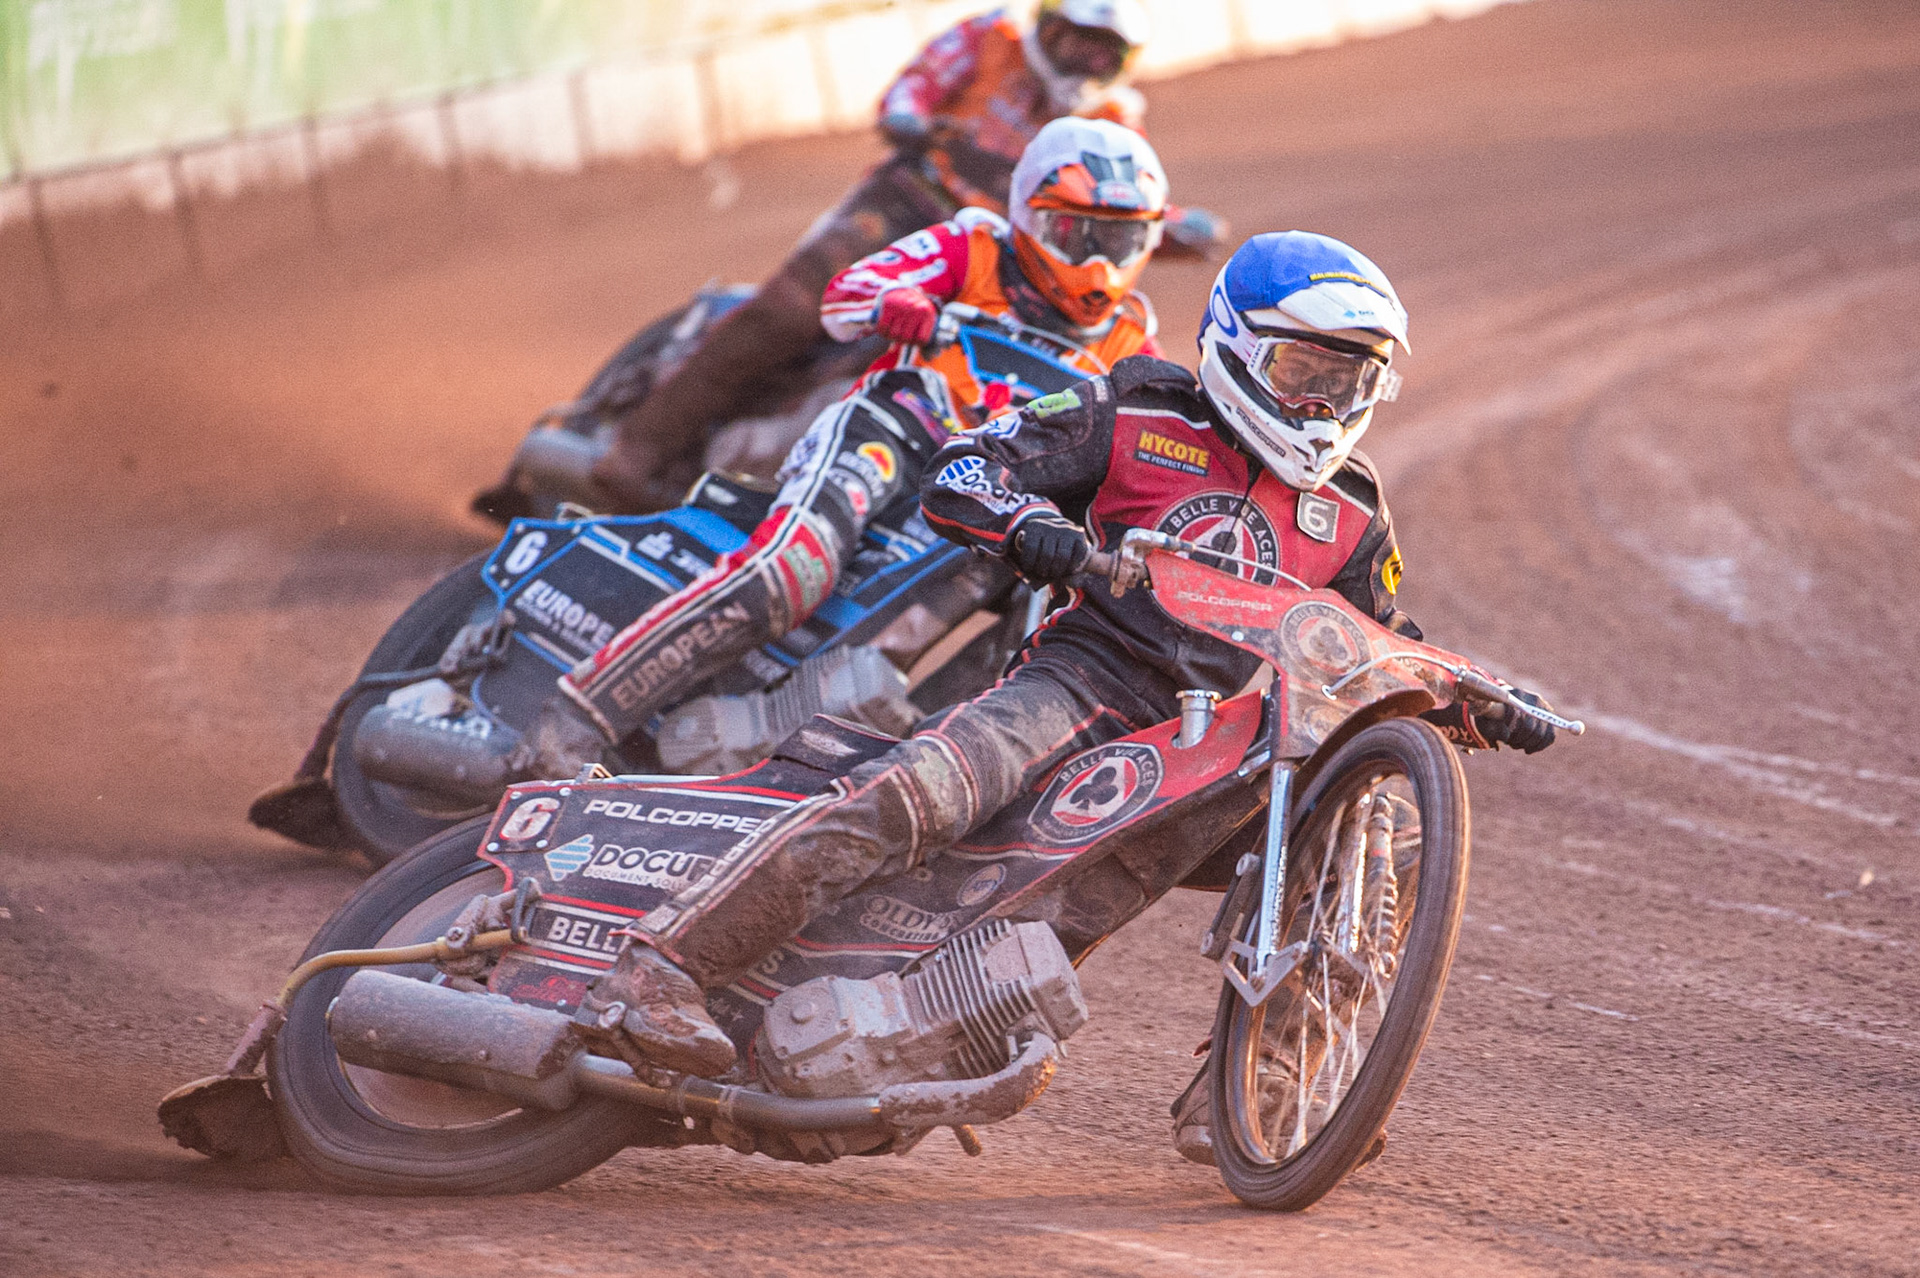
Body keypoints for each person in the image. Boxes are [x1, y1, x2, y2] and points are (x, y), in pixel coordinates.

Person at [573, 230, 1558, 1088]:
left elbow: (1377, 647)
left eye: (1353, 379)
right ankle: (661, 970)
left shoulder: (1352, 510)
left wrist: (1472, 697)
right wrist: (1036, 528)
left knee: (1373, 836)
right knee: (919, 794)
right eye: (1308, 372)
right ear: (1239, 349)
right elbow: (967, 469)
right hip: (1077, 685)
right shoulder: (1134, 410)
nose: (1326, 402)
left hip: (1217, 749)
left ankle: (1289, 1076)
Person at [491, 117, 1172, 801]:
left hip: (985, 501)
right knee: (790, 573)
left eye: (1119, 239)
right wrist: (897, 300)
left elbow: (1157, 456)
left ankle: (874, 783)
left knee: (1012, 630)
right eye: (1075, 234)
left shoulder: (1132, 340)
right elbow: (848, 289)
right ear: (1029, 213)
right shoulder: (975, 247)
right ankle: (573, 721)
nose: (1097, 264)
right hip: (894, 433)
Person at [589, 0, 1224, 513]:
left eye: (1105, 53)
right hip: (905, 203)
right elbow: (908, 92)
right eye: (1079, 41)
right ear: (1048, 26)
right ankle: (635, 453)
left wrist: (1175, 227)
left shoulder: (1114, 119)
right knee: (792, 307)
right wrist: (911, 120)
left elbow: (1117, 203)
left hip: (999, 261)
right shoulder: (988, 38)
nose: (1088, 60)